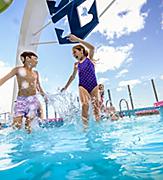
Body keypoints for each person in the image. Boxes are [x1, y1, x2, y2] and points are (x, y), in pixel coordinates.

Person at [0, 51, 47, 133]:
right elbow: (4, 79)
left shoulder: (35, 73)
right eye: (35, 58)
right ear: (27, 58)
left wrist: (44, 96)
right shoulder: (18, 70)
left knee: (28, 125)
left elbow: (38, 86)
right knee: (16, 125)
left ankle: (28, 141)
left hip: (33, 100)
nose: (37, 61)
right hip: (21, 100)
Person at [61, 34, 100, 129]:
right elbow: (73, 76)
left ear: (81, 51)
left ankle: (98, 125)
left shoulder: (89, 59)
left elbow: (92, 48)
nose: (74, 55)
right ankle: (85, 127)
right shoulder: (76, 65)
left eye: (75, 52)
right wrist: (65, 87)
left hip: (94, 85)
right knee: (85, 104)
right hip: (83, 86)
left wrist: (78, 40)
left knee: (96, 107)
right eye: (73, 54)